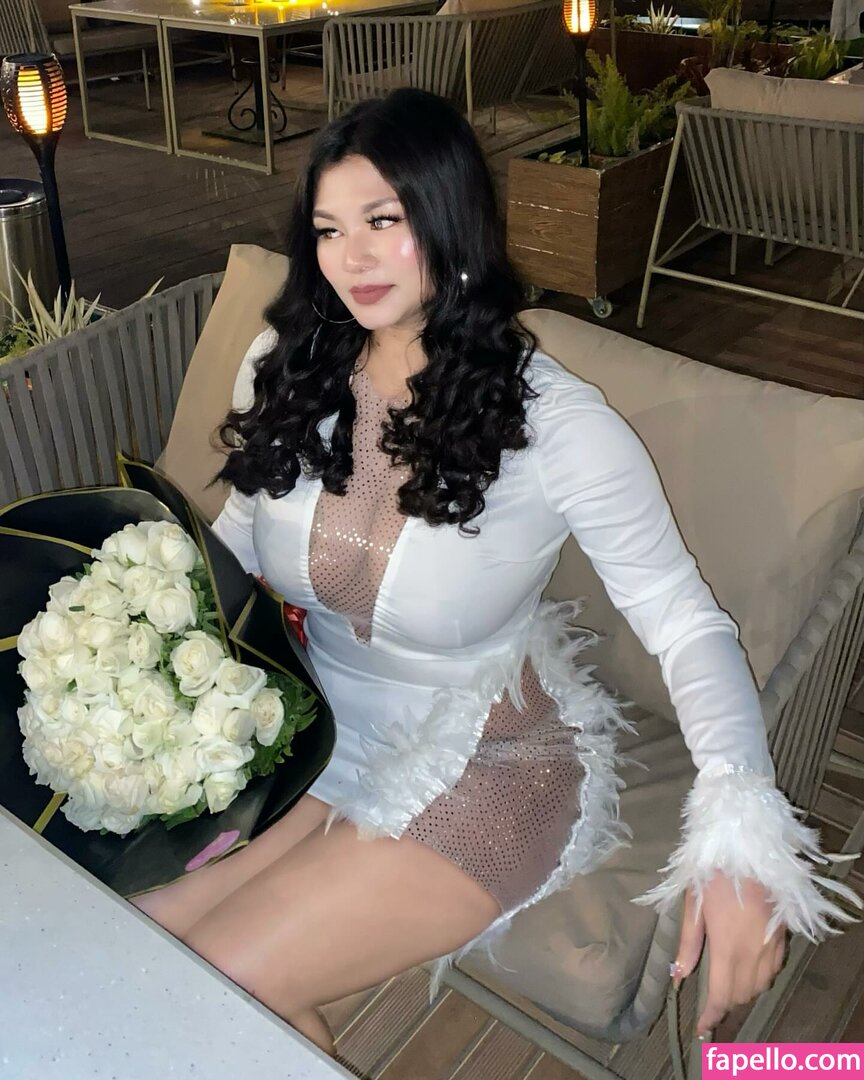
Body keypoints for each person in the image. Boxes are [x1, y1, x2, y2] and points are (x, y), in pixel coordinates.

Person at [133, 88, 857, 1056]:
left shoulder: (555, 422)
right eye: (329, 230)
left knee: (215, 983)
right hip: (311, 730)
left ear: (448, 217)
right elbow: (234, 539)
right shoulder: (288, 363)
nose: (351, 259)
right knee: (138, 942)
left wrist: (740, 821)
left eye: (382, 221)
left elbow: (686, 622)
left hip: (490, 760)